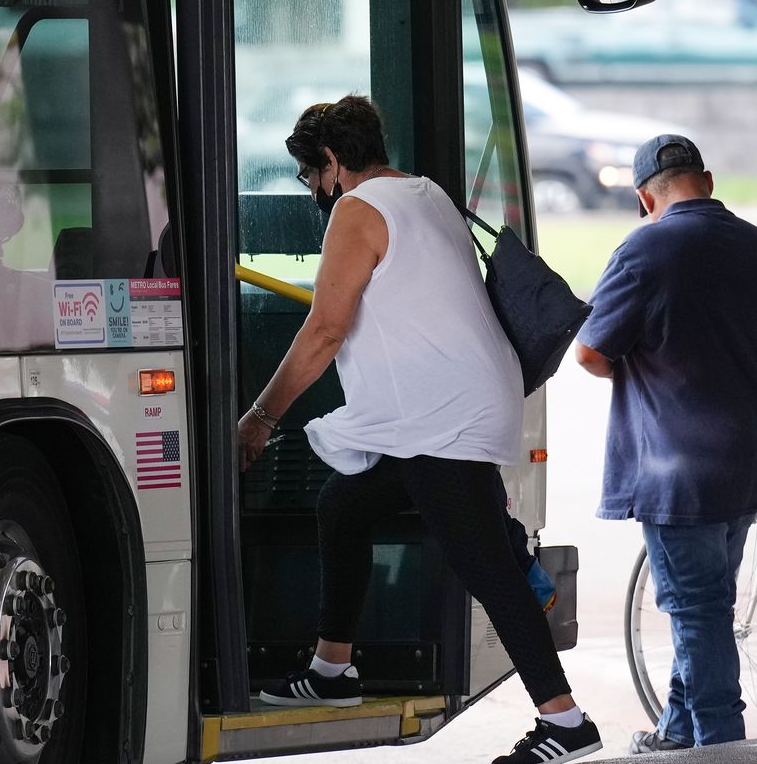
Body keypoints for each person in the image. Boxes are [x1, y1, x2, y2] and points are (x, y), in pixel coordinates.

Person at [235, 95, 602, 764]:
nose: (311, 190)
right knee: (343, 505)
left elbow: (324, 330)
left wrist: (259, 418)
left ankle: (566, 721)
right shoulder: (427, 194)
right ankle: (331, 670)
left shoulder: (357, 210)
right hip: (460, 403)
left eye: (307, 176)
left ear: (333, 163)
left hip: (443, 417)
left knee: (488, 567)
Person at [571, 134, 757, 755]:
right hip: (747, 463)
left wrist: (633, 371)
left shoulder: (645, 248)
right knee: (708, 603)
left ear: (643, 198)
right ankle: (677, 732)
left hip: (674, 469)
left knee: (697, 611)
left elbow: (589, 352)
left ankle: (720, 744)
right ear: (707, 181)